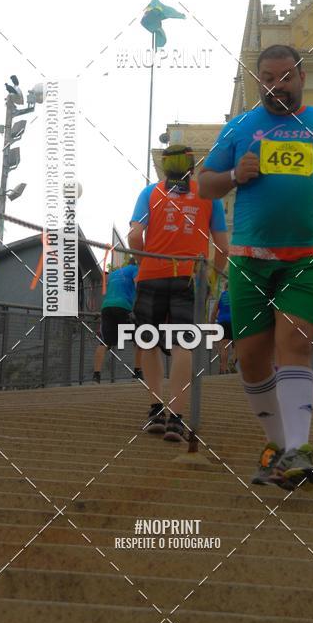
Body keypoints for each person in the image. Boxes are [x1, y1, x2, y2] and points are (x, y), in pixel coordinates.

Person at [198, 44, 313, 491]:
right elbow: (205, 184)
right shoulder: (239, 127)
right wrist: (236, 175)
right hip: (249, 260)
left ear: (301, 78)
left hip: (309, 257)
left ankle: (299, 448)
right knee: (252, 360)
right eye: (268, 79)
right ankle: (277, 445)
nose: (277, 86)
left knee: (294, 341)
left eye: (285, 77)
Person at [128, 145, 228, 441]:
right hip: (190, 277)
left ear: (165, 167)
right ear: (193, 167)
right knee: (185, 343)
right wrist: (213, 278)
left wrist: (143, 262)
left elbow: (134, 235)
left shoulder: (150, 193)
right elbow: (223, 247)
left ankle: (155, 408)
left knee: (149, 341)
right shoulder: (210, 197)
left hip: (151, 274)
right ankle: (177, 417)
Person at [93, 257, 141, 384]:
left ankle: (96, 376)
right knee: (139, 339)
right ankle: (137, 373)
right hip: (123, 307)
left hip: (107, 307)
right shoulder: (135, 269)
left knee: (104, 342)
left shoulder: (114, 273)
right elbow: (138, 285)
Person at [211, 286, 233, 373]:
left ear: (224, 287)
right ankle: (232, 362)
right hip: (234, 322)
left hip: (222, 322)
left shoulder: (221, 296)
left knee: (224, 347)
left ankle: (223, 369)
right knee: (237, 345)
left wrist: (212, 327)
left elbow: (213, 312)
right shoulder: (235, 295)